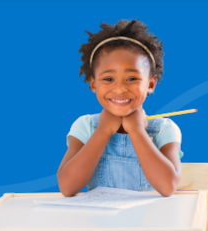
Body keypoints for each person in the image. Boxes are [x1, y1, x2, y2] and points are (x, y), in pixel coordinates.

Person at [57, 19, 184, 197]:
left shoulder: (164, 129)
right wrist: (103, 130)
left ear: (151, 84)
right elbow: (67, 187)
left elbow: (168, 186)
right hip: (99, 223)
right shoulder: (85, 126)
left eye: (132, 79)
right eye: (108, 79)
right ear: (93, 84)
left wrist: (137, 130)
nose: (120, 89)